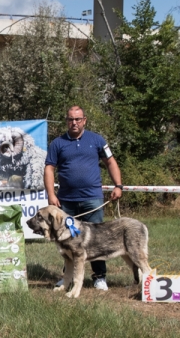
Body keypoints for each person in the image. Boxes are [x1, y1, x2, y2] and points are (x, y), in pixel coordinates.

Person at [44, 105, 123, 291]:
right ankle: (67, 279)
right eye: (70, 119)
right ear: (66, 121)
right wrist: (51, 195)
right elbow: (49, 168)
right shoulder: (57, 143)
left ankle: (99, 277)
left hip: (92, 199)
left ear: (84, 120)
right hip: (66, 201)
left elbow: (110, 162)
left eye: (78, 119)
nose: (74, 122)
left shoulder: (97, 140)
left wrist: (118, 185)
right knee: (66, 241)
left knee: (98, 240)